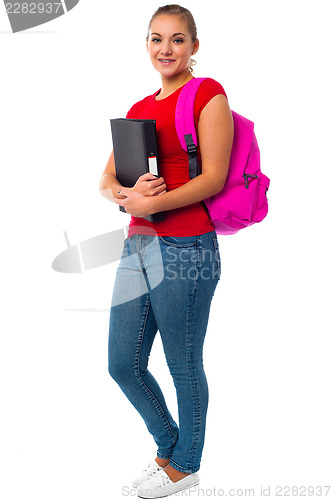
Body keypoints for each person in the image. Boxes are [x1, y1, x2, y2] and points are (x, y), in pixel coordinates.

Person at [99, 4, 233, 498]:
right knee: (122, 363)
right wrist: (124, 197)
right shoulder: (138, 108)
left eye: (178, 40)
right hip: (138, 244)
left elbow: (212, 178)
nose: (166, 49)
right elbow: (107, 177)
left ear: (194, 47)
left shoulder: (208, 94)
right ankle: (170, 449)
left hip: (187, 247)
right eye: (156, 39)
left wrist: (149, 201)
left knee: (182, 362)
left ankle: (186, 466)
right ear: (147, 46)